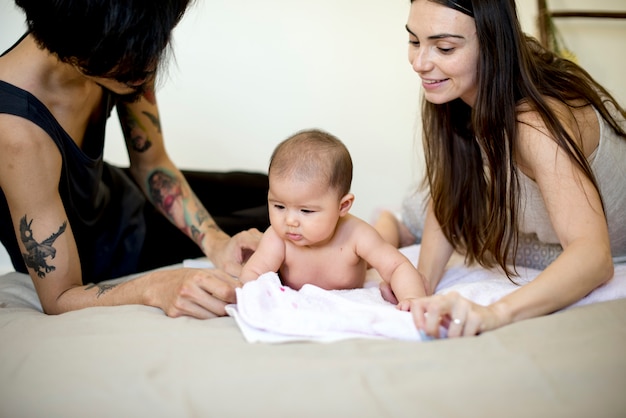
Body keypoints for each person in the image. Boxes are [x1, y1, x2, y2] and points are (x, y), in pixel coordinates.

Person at [0, 0, 270, 318]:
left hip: (122, 195)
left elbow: (152, 162)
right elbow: (60, 297)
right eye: (132, 63)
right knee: (284, 226)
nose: (151, 64)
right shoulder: (15, 131)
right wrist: (156, 286)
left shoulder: (125, 45)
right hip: (114, 254)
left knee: (276, 191)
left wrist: (216, 243)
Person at [381, 0, 626, 338]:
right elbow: (452, 191)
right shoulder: (454, 88)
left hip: (608, 244)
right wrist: (419, 283)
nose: (420, 63)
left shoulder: (536, 125)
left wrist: (492, 314)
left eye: (445, 47)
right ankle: (397, 221)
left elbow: (594, 258)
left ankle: (398, 221)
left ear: (494, 45)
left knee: (462, 231)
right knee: (426, 212)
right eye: (414, 41)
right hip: (530, 219)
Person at [239, 129, 427, 305]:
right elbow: (253, 274)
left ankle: (390, 219)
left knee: (383, 240)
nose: (289, 221)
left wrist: (411, 298)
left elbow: (397, 267)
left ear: (343, 206)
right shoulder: (278, 238)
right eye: (279, 206)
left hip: (363, 253)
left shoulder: (357, 235)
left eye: (306, 211)